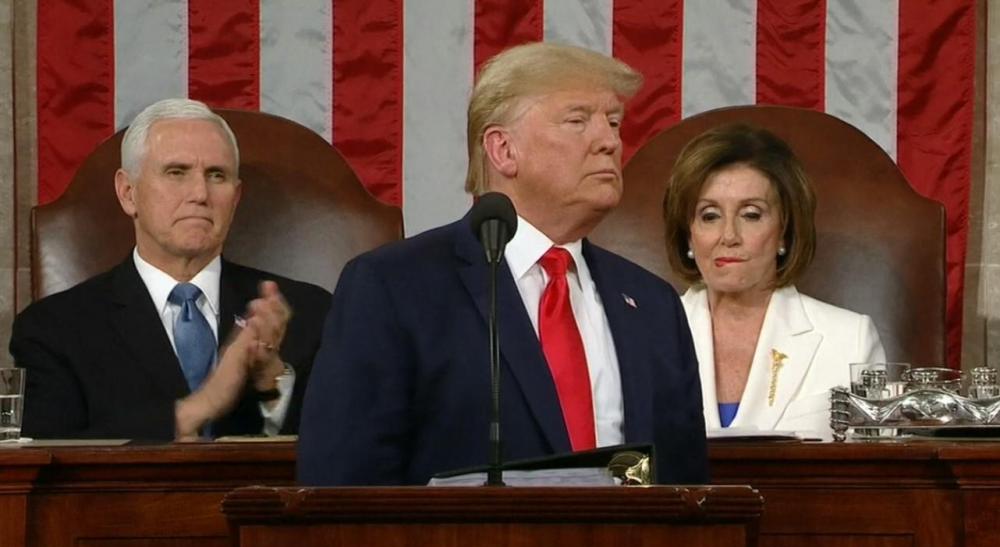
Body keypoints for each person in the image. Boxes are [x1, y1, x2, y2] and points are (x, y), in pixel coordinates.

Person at [298, 42, 708, 486]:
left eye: (613, 122)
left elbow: (684, 484)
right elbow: (342, 485)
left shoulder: (652, 304)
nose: (609, 142)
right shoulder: (394, 288)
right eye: (577, 121)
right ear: (503, 149)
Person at [10, 98, 331, 440]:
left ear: (235, 198)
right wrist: (198, 408)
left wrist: (274, 387)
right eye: (176, 172)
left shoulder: (310, 312)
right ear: (128, 193)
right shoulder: (55, 329)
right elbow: (48, 457)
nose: (200, 194)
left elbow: (346, 444)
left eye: (216, 175)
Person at [663, 123, 886, 437]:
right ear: (688, 235)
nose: (729, 236)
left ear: (784, 231)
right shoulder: (645, 335)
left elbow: (877, 463)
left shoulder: (850, 339)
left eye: (751, 214)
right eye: (710, 215)